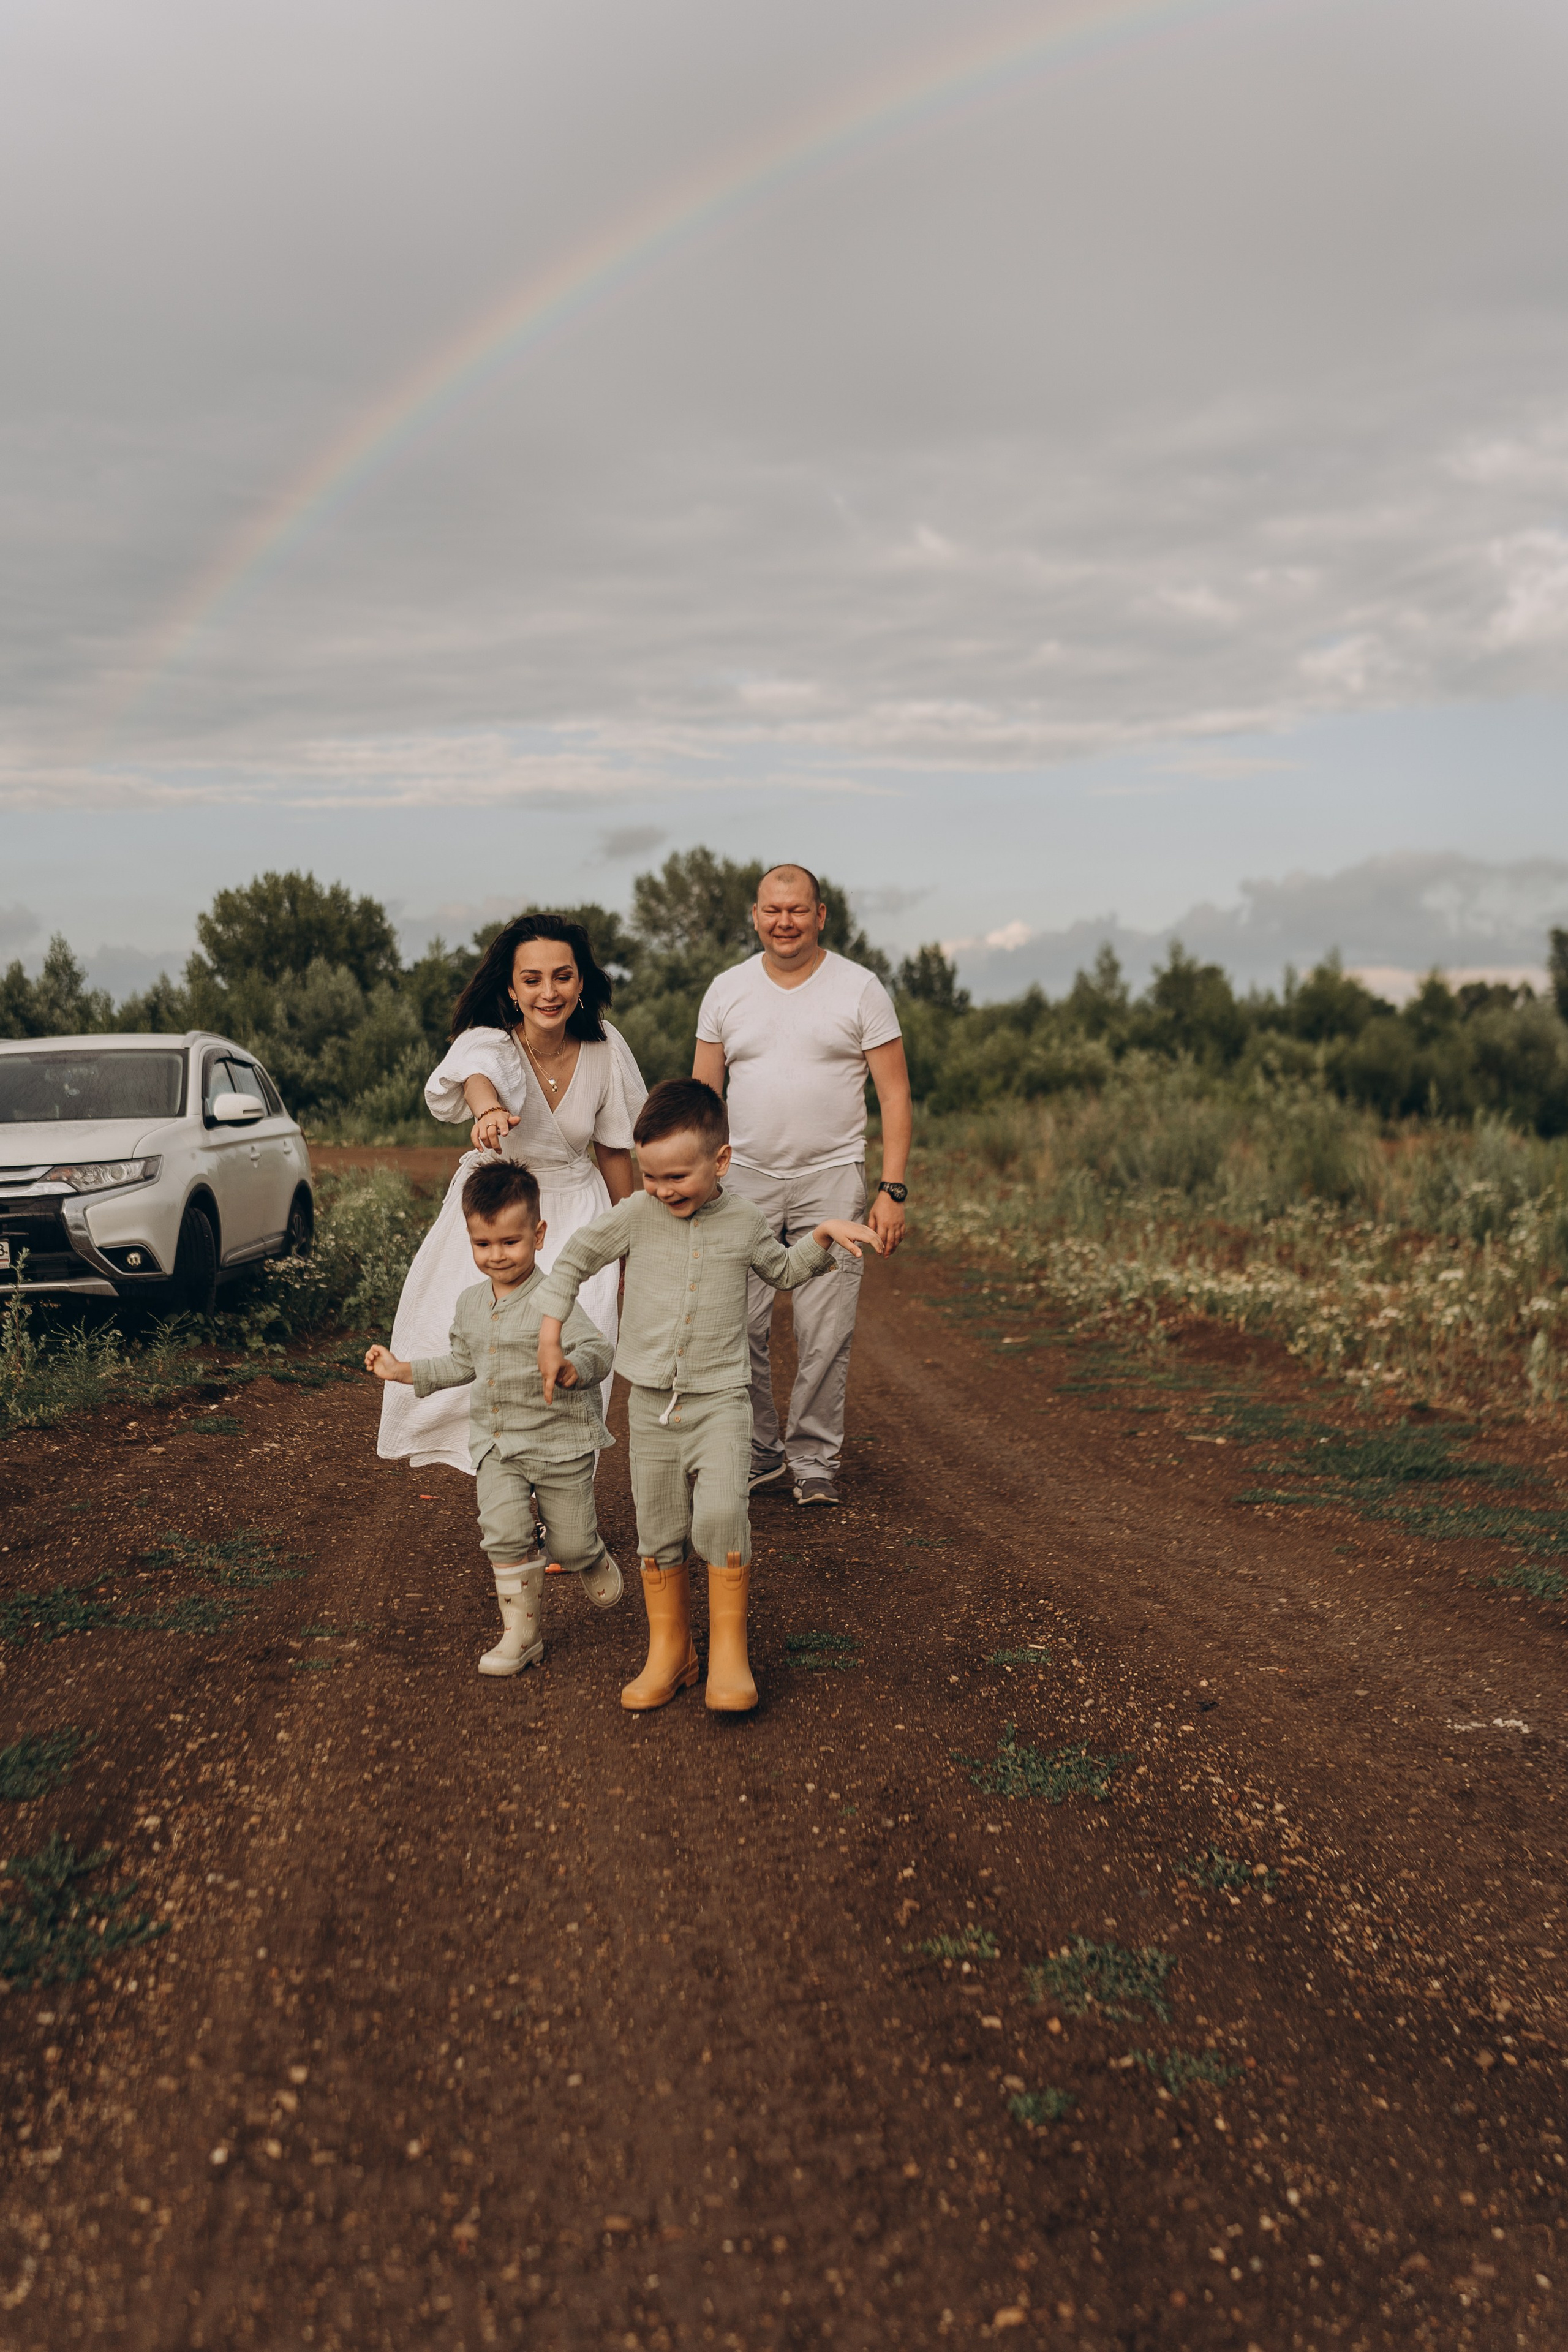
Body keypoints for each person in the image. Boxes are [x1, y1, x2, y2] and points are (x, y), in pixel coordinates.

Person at [535, 1078, 883, 1714]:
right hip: (651, 1405)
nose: (662, 1190)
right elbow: (574, 1259)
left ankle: (728, 1653)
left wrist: (823, 1236)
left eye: (677, 1176)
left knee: (721, 1516)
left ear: (720, 1161)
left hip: (722, 1401)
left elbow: (783, 1271)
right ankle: (671, 1651)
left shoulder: (745, 1221)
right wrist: (551, 1333)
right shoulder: (636, 1216)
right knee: (657, 1526)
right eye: (650, 1176)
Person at [379, 914, 647, 1477]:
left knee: (573, 1345)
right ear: (511, 987)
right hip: (502, 1204)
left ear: (581, 982)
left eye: (562, 976)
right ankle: (503, 1474)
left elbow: (614, 1150)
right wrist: (489, 1112)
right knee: (486, 1345)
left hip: (578, 1209)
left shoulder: (605, 1047)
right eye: (532, 979)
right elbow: (479, 1076)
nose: (549, 992)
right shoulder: (491, 1041)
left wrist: (630, 1241)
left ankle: (559, 1481)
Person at [692, 862, 911, 1507]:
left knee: (825, 1328)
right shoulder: (726, 991)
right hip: (743, 1180)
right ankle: (760, 1451)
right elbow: (703, 1097)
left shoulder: (860, 989)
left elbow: (895, 1096)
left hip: (832, 1178)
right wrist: (697, 1183)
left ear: (820, 916)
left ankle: (814, 1460)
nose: (783, 921)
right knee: (737, 1323)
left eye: (797, 910)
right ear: (755, 916)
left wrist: (892, 1190)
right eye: (772, 910)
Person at [364, 1160, 622, 1677]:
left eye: (510, 1242)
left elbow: (599, 1349)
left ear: (538, 1235)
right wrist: (403, 1370)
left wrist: (574, 1367)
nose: (497, 1255)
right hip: (499, 1443)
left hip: (559, 1443)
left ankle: (588, 1554)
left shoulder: (555, 1299)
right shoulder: (470, 1305)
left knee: (568, 1543)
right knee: (503, 1534)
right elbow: (461, 1363)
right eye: (483, 1244)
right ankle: (521, 1637)